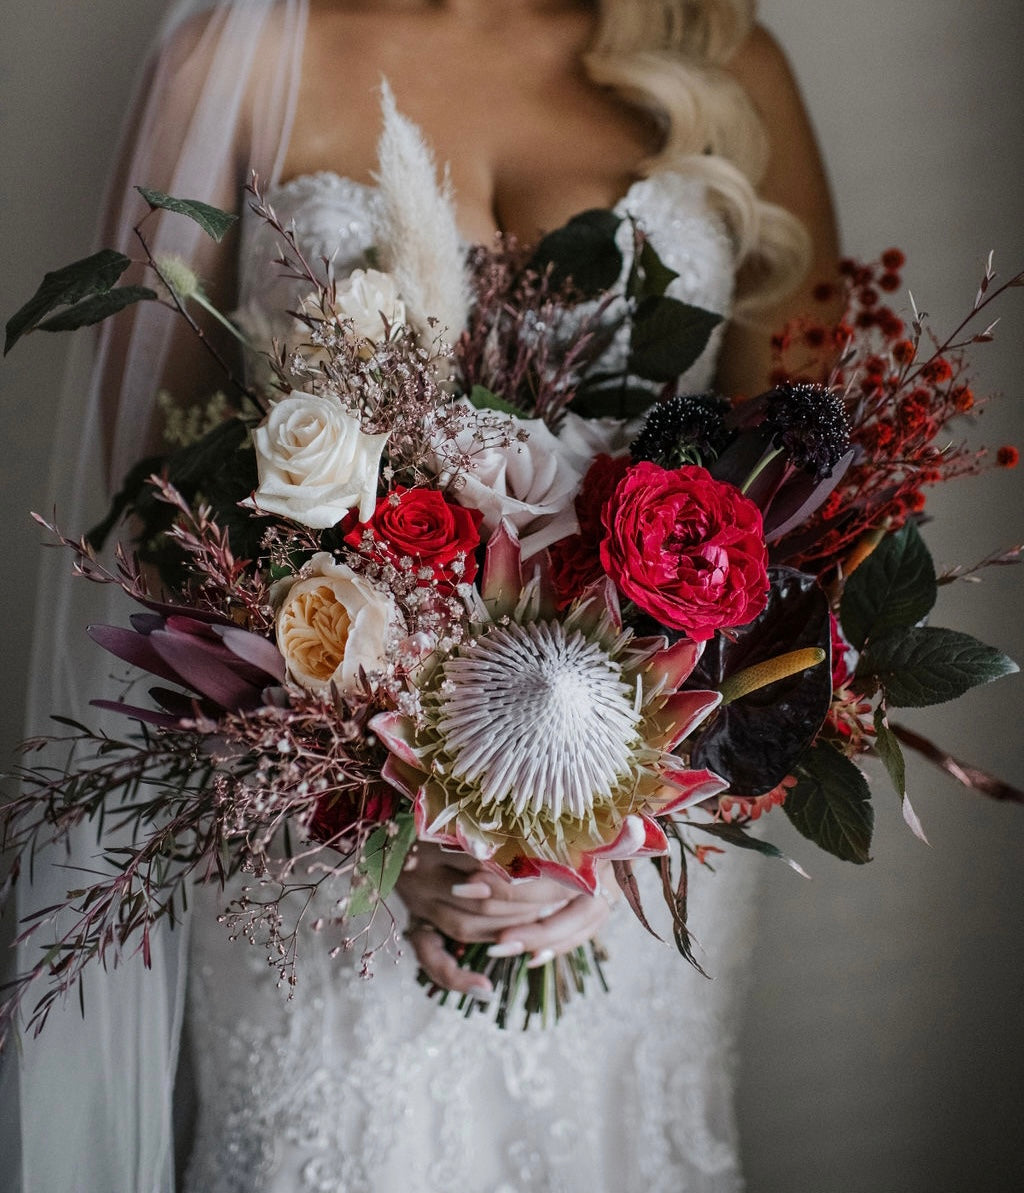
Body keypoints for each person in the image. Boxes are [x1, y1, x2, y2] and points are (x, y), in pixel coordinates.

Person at [6, 2, 840, 1190]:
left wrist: (610, 825)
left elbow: (807, 519)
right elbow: (163, 514)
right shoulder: (230, 65)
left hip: (645, 837)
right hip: (321, 849)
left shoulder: (723, 58)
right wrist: (376, 793)